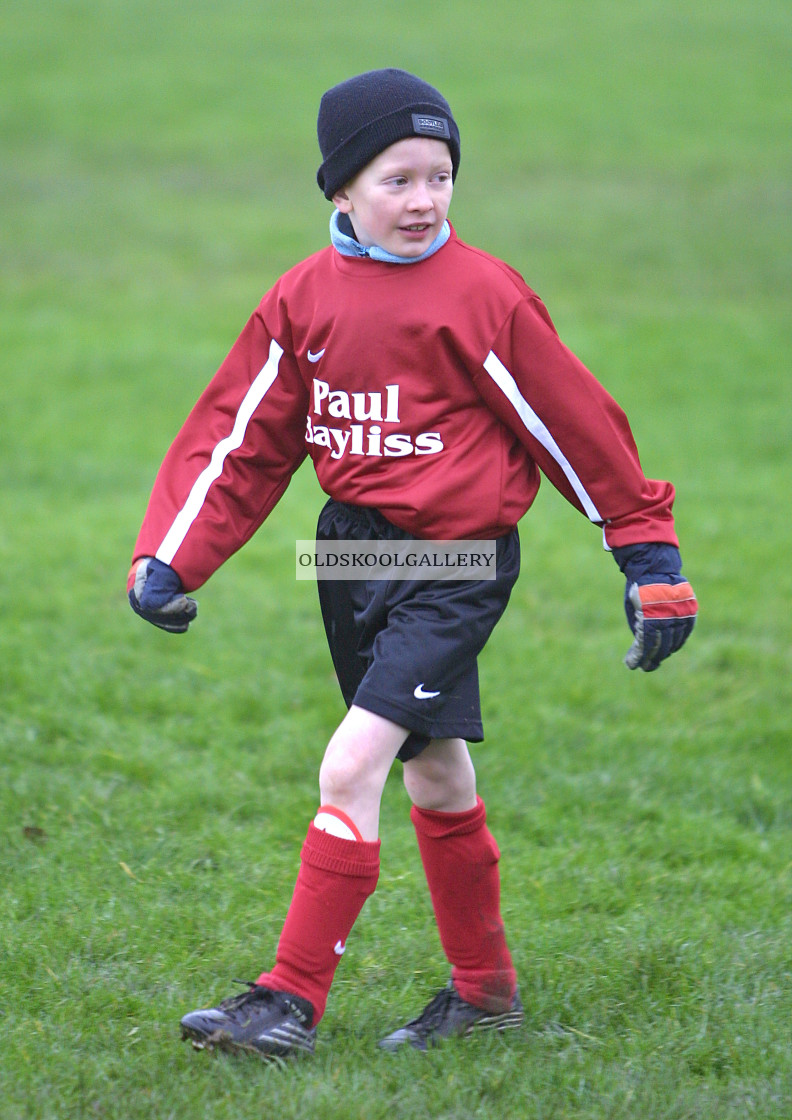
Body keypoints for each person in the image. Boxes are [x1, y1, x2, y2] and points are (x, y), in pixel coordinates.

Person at [127, 68, 697, 1061]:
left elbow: (576, 427)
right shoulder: (301, 298)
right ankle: (487, 1000)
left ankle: (286, 999)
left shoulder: (483, 294)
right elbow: (245, 435)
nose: (426, 198)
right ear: (340, 190)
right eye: (398, 178)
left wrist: (647, 552)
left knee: (352, 763)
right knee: (433, 769)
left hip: (459, 561)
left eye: (441, 176)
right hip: (347, 554)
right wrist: (172, 557)